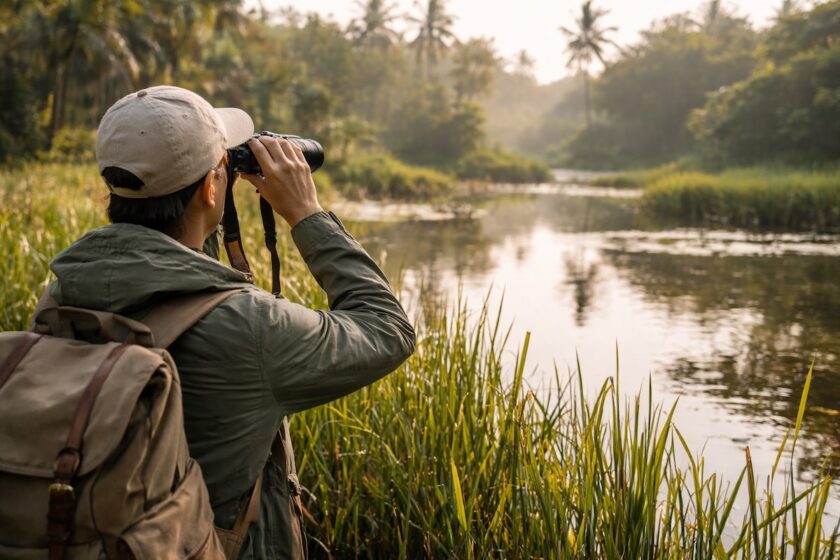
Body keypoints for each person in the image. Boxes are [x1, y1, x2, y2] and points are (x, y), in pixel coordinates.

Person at [46, 85, 416, 558]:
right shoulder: (251, 327)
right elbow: (388, 328)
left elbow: (177, 270)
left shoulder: (61, 296)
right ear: (209, 188)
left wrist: (208, 201)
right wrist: (306, 212)